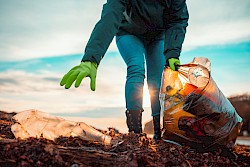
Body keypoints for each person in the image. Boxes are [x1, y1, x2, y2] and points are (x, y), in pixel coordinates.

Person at [60, 0, 189, 141]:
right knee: (136, 68)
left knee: (158, 80)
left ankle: (160, 132)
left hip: (158, 37)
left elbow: (178, 19)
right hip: (129, 33)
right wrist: (91, 58)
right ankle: (135, 133)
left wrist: (172, 52)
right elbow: (111, 15)